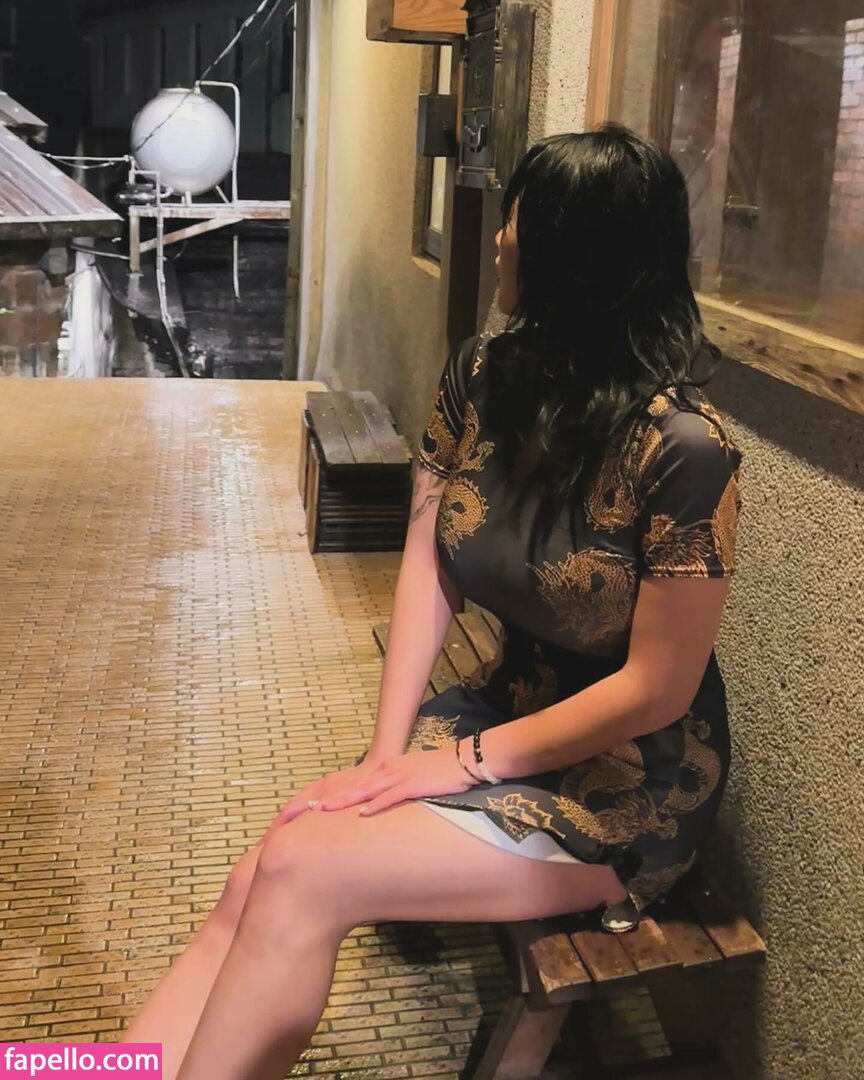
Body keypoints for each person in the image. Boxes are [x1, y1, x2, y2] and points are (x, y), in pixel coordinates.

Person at [122, 124, 741, 1080]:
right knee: (277, 856)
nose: (499, 239)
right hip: (500, 709)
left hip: (626, 778)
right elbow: (429, 562)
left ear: (575, 256)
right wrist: (387, 754)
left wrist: (452, 764)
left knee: (305, 874)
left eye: (518, 221)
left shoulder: (686, 451)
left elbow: (657, 689)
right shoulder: (484, 372)